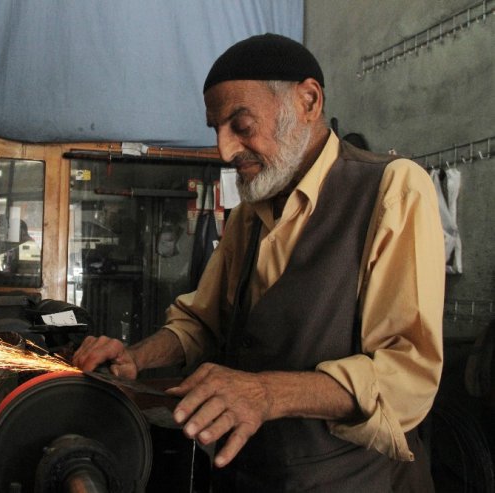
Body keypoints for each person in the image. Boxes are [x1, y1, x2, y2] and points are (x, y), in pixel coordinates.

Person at [73, 33, 445, 491]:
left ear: (307, 101)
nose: (225, 151)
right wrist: (135, 358)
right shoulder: (252, 212)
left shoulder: (392, 190)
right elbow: (203, 323)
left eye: (240, 125)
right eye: (216, 129)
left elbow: (407, 375)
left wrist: (266, 393)